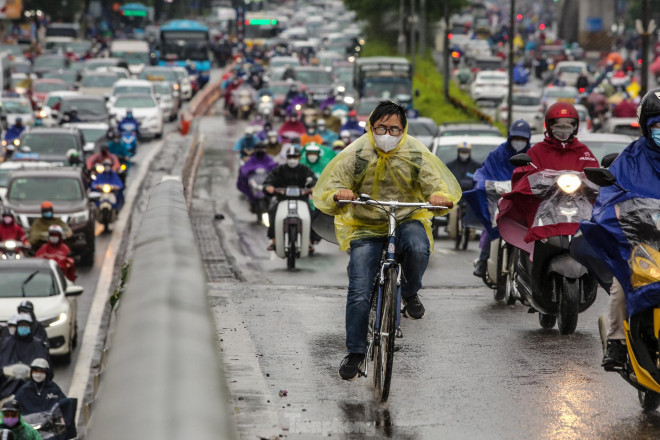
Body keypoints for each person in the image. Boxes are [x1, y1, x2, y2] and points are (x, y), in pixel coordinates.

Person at [312, 100, 461, 380]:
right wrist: (341, 192)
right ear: (371, 127)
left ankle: (409, 292)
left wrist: (438, 196)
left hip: (406, 217)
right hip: (366, 224)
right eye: (382, 128)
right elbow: (333, 183)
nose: (388, 134)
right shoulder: (356, 153)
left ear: (403, 130)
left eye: (395, 129)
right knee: (358, 291)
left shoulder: (416, 152)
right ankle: (356, 352)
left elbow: (436, 183)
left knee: (418, 248)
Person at [586, 88, 660, 370]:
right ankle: (616, 342)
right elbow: (609, 196)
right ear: (645, 125)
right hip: (643, 242)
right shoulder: (630, 159)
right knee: (621, 282)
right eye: (657, 124)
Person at [498, 102, 599, 243]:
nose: (563, 130)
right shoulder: (537, 151)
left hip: (579, 211)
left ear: (575, 128)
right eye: (558, 126)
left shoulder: (583, 152)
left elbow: (596, 179)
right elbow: (523, 177)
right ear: (549, 127)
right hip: (545, 211)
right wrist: (542, 183)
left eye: (568, 126)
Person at [470, 120, 532, 277]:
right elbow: (484, 172)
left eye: (522, 139)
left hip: (524, 201)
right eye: (516, 138)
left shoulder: (533, 154)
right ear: (510, 137)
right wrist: (481, 184)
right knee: (491, 226)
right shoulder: (497, 154)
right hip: (500, 198)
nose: (519, 142)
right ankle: (483, 261)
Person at [264, 145, 317, 251]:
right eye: (290, 157)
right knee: (273, 212)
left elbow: (314, 181)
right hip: (282, 199)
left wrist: (313, 188)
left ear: (299, 158)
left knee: (312, 214)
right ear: (286, 157)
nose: (292, 159)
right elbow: (269, 180)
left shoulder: (305, 170)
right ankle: (274, 240)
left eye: (295, 157)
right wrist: (269, 186)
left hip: (302, 199)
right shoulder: (279, 170)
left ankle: (309, 240)